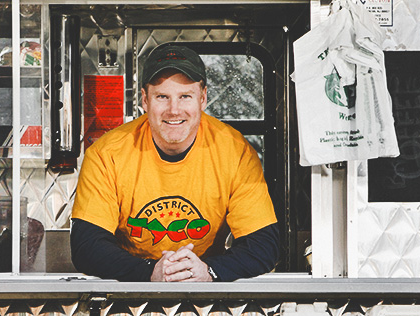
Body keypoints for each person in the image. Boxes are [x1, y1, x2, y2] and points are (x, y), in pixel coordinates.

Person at [70, 44, 279, 282]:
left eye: (185, 96)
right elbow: (86, 246)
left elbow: (264, 245)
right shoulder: (106, 154)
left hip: (208, 292)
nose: (174, 110)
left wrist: (208, 271)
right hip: (129, 291)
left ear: (202, 98)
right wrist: (149, 272)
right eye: (162, 97)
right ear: (145, 101)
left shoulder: (235, 151)